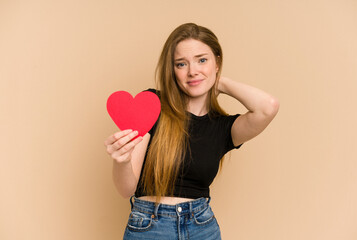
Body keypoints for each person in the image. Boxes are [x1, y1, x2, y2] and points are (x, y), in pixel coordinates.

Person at [104, 23, 279, 240]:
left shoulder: (223, 127)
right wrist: (121, 160)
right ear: (172, 70)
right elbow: (126, 190)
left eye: (202, 60)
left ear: (217, 62)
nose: (192, 71)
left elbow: (268, 106)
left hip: (202, 227)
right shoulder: (152, 105)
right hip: (150, 227)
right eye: (181, 64)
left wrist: (218, 82)